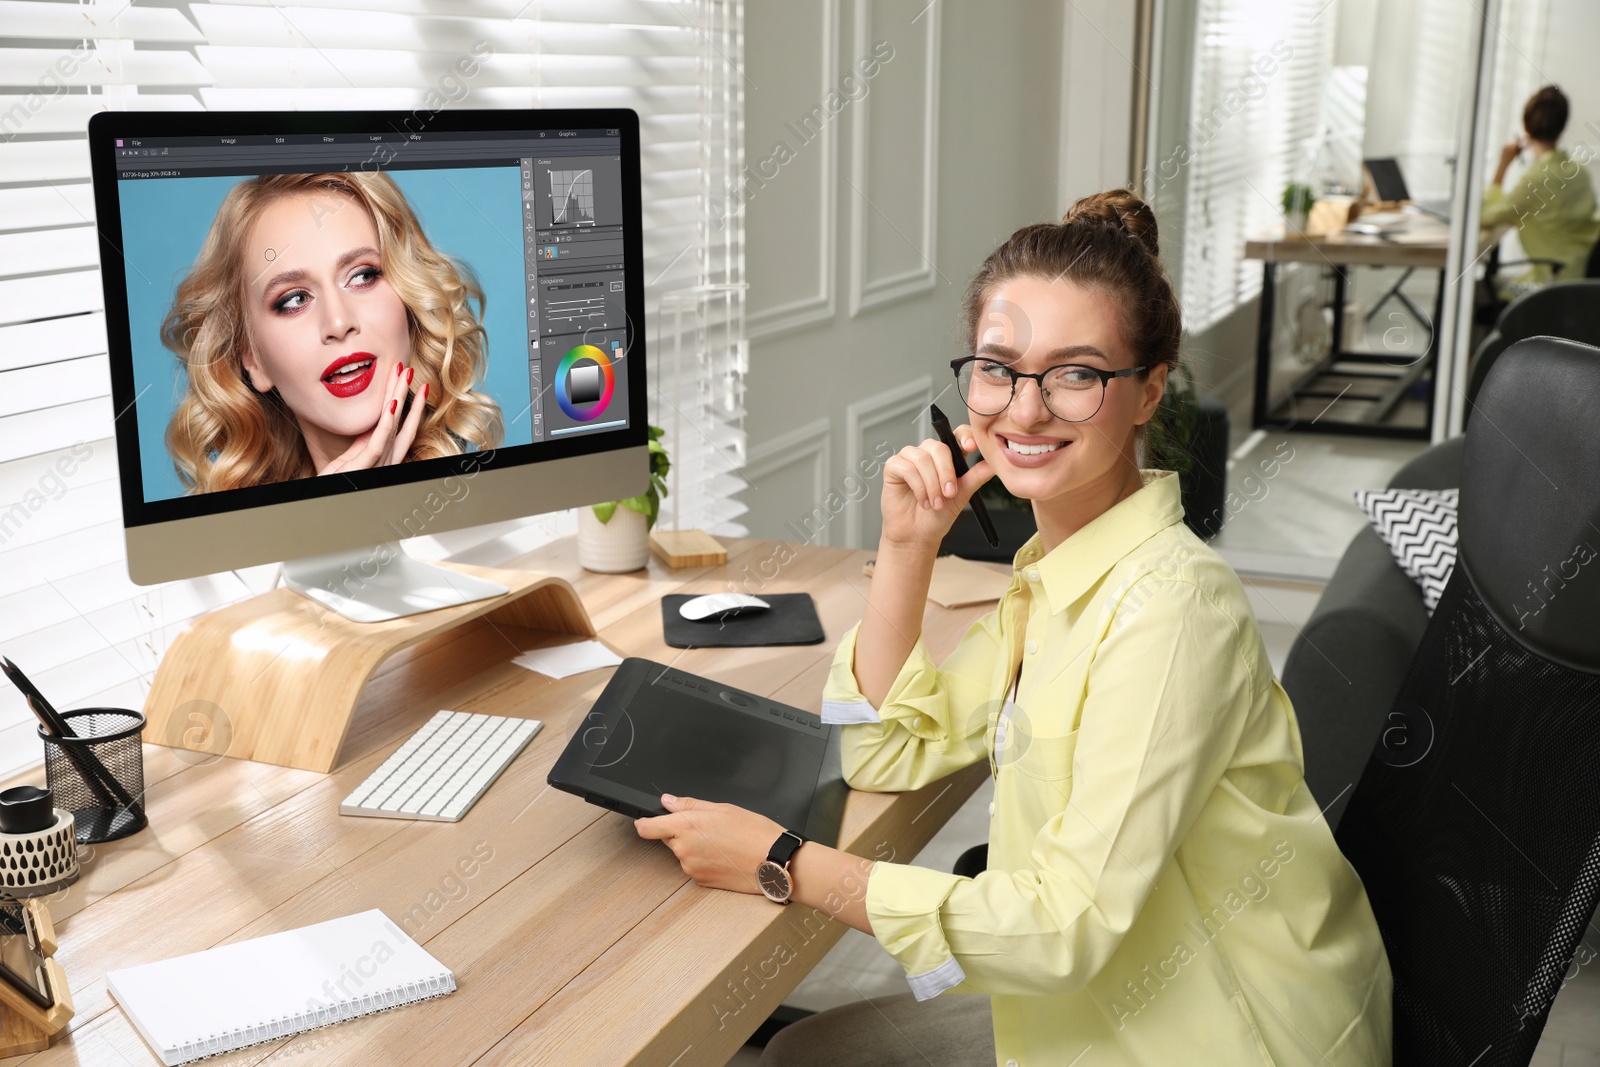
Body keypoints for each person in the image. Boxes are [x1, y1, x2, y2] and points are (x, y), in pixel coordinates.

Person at [634, 189, 1393, 1066]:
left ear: (1148, 389)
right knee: (809, 1053)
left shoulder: (1170, 609)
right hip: (1105, 1001)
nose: (1024, 411)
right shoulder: (1051, 576)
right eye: (999, 368)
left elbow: (1060, 929)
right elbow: (877, 751)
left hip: (1221, 1030)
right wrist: (908, 547)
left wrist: (783, 861)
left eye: (1076, 374)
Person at [161, 171, 503, 494]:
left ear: (410, 302)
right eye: (294, 299)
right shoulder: (242, 550)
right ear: (252, 359)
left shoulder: (501, 513)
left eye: (363, 276)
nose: (338, 323)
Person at [1481, 84, 1600, 299]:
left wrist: (1503, 164)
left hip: (1549, 286)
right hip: (1583, 280)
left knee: (1481, 293)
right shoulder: (1578, 172)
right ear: (1562, 128)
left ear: (1526, 127)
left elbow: (1484, 216)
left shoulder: (1536, 179)